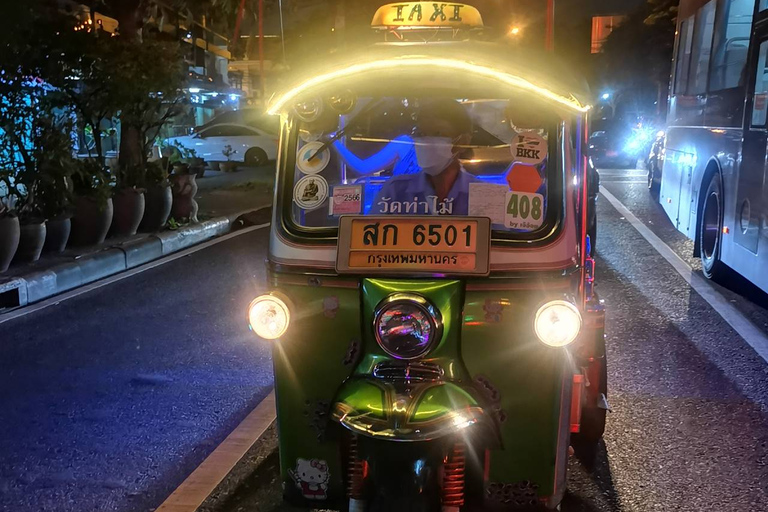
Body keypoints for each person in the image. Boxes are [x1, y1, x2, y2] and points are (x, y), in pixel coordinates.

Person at [372, 99, 477, 215]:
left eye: (438, 134)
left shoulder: (482, 195)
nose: (426, 142)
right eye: (421, 134)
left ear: (463, 142)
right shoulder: (394, 192)